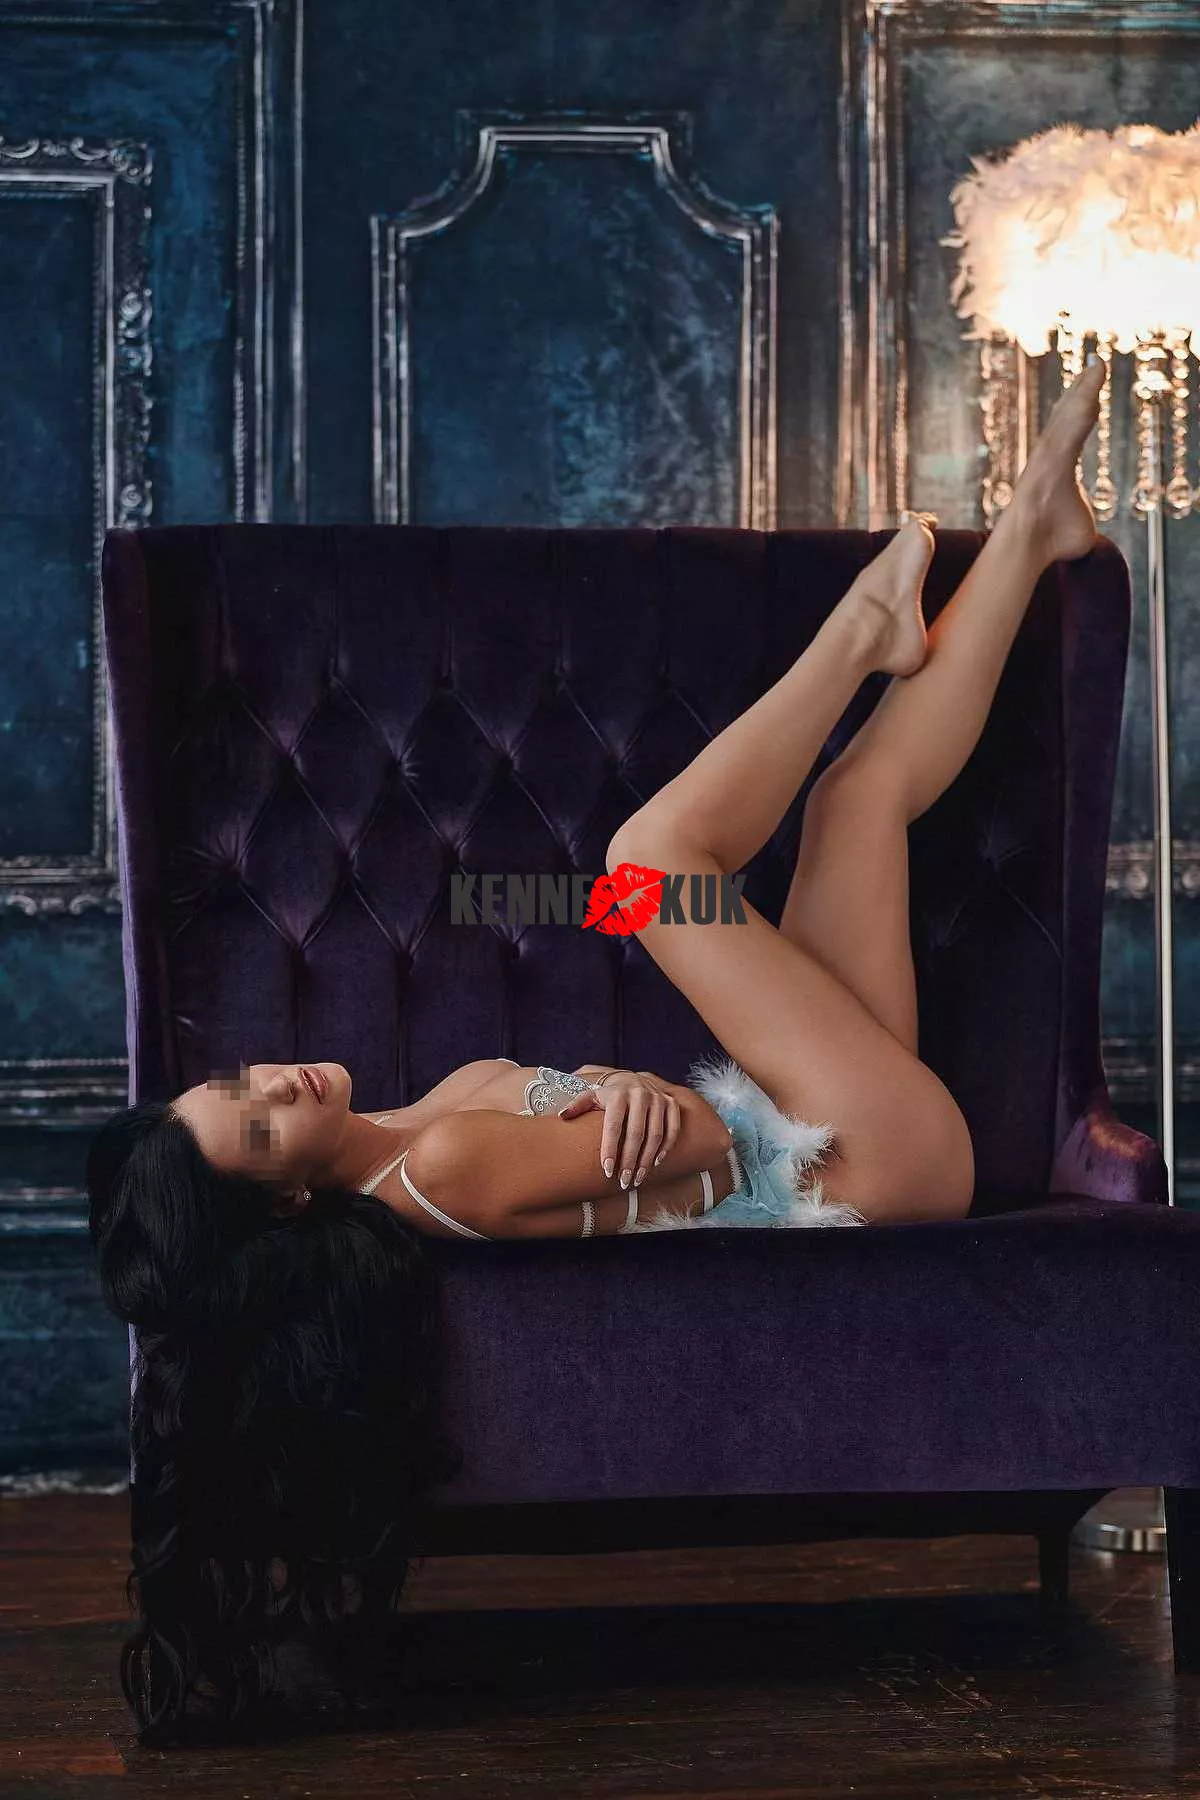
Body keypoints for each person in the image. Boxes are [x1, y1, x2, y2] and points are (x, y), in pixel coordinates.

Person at [87, 354, 1107, 1739]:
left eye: (237, 1081)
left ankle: (1038, 529)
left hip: (809, 1120)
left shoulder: (409, 1127)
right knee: (646, 867)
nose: (275, 1078)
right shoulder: (440, 1169)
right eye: (261, 1123)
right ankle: (858, 635)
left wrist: (623, 1092)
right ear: (285, 1204)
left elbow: (643, 1137)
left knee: (856, 803)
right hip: (862, 1162)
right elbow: (690, 1148)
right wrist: (643, 1109)